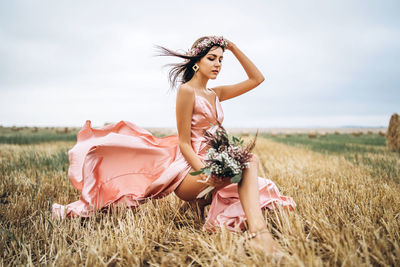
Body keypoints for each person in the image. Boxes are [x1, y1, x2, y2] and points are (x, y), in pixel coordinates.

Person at [52, 36, 296, 255]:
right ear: (196, 61)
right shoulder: (186, 91)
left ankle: (249, 229)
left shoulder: (215, 93)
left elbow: (257, 79)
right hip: (190, 171)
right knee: (246, 167)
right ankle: (255, 232)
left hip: (216, 159)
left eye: (221, 60)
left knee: (252, 166)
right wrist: (207, 172)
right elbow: (184, 143)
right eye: (212, 58)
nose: (218, 64)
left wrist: (233, 47)